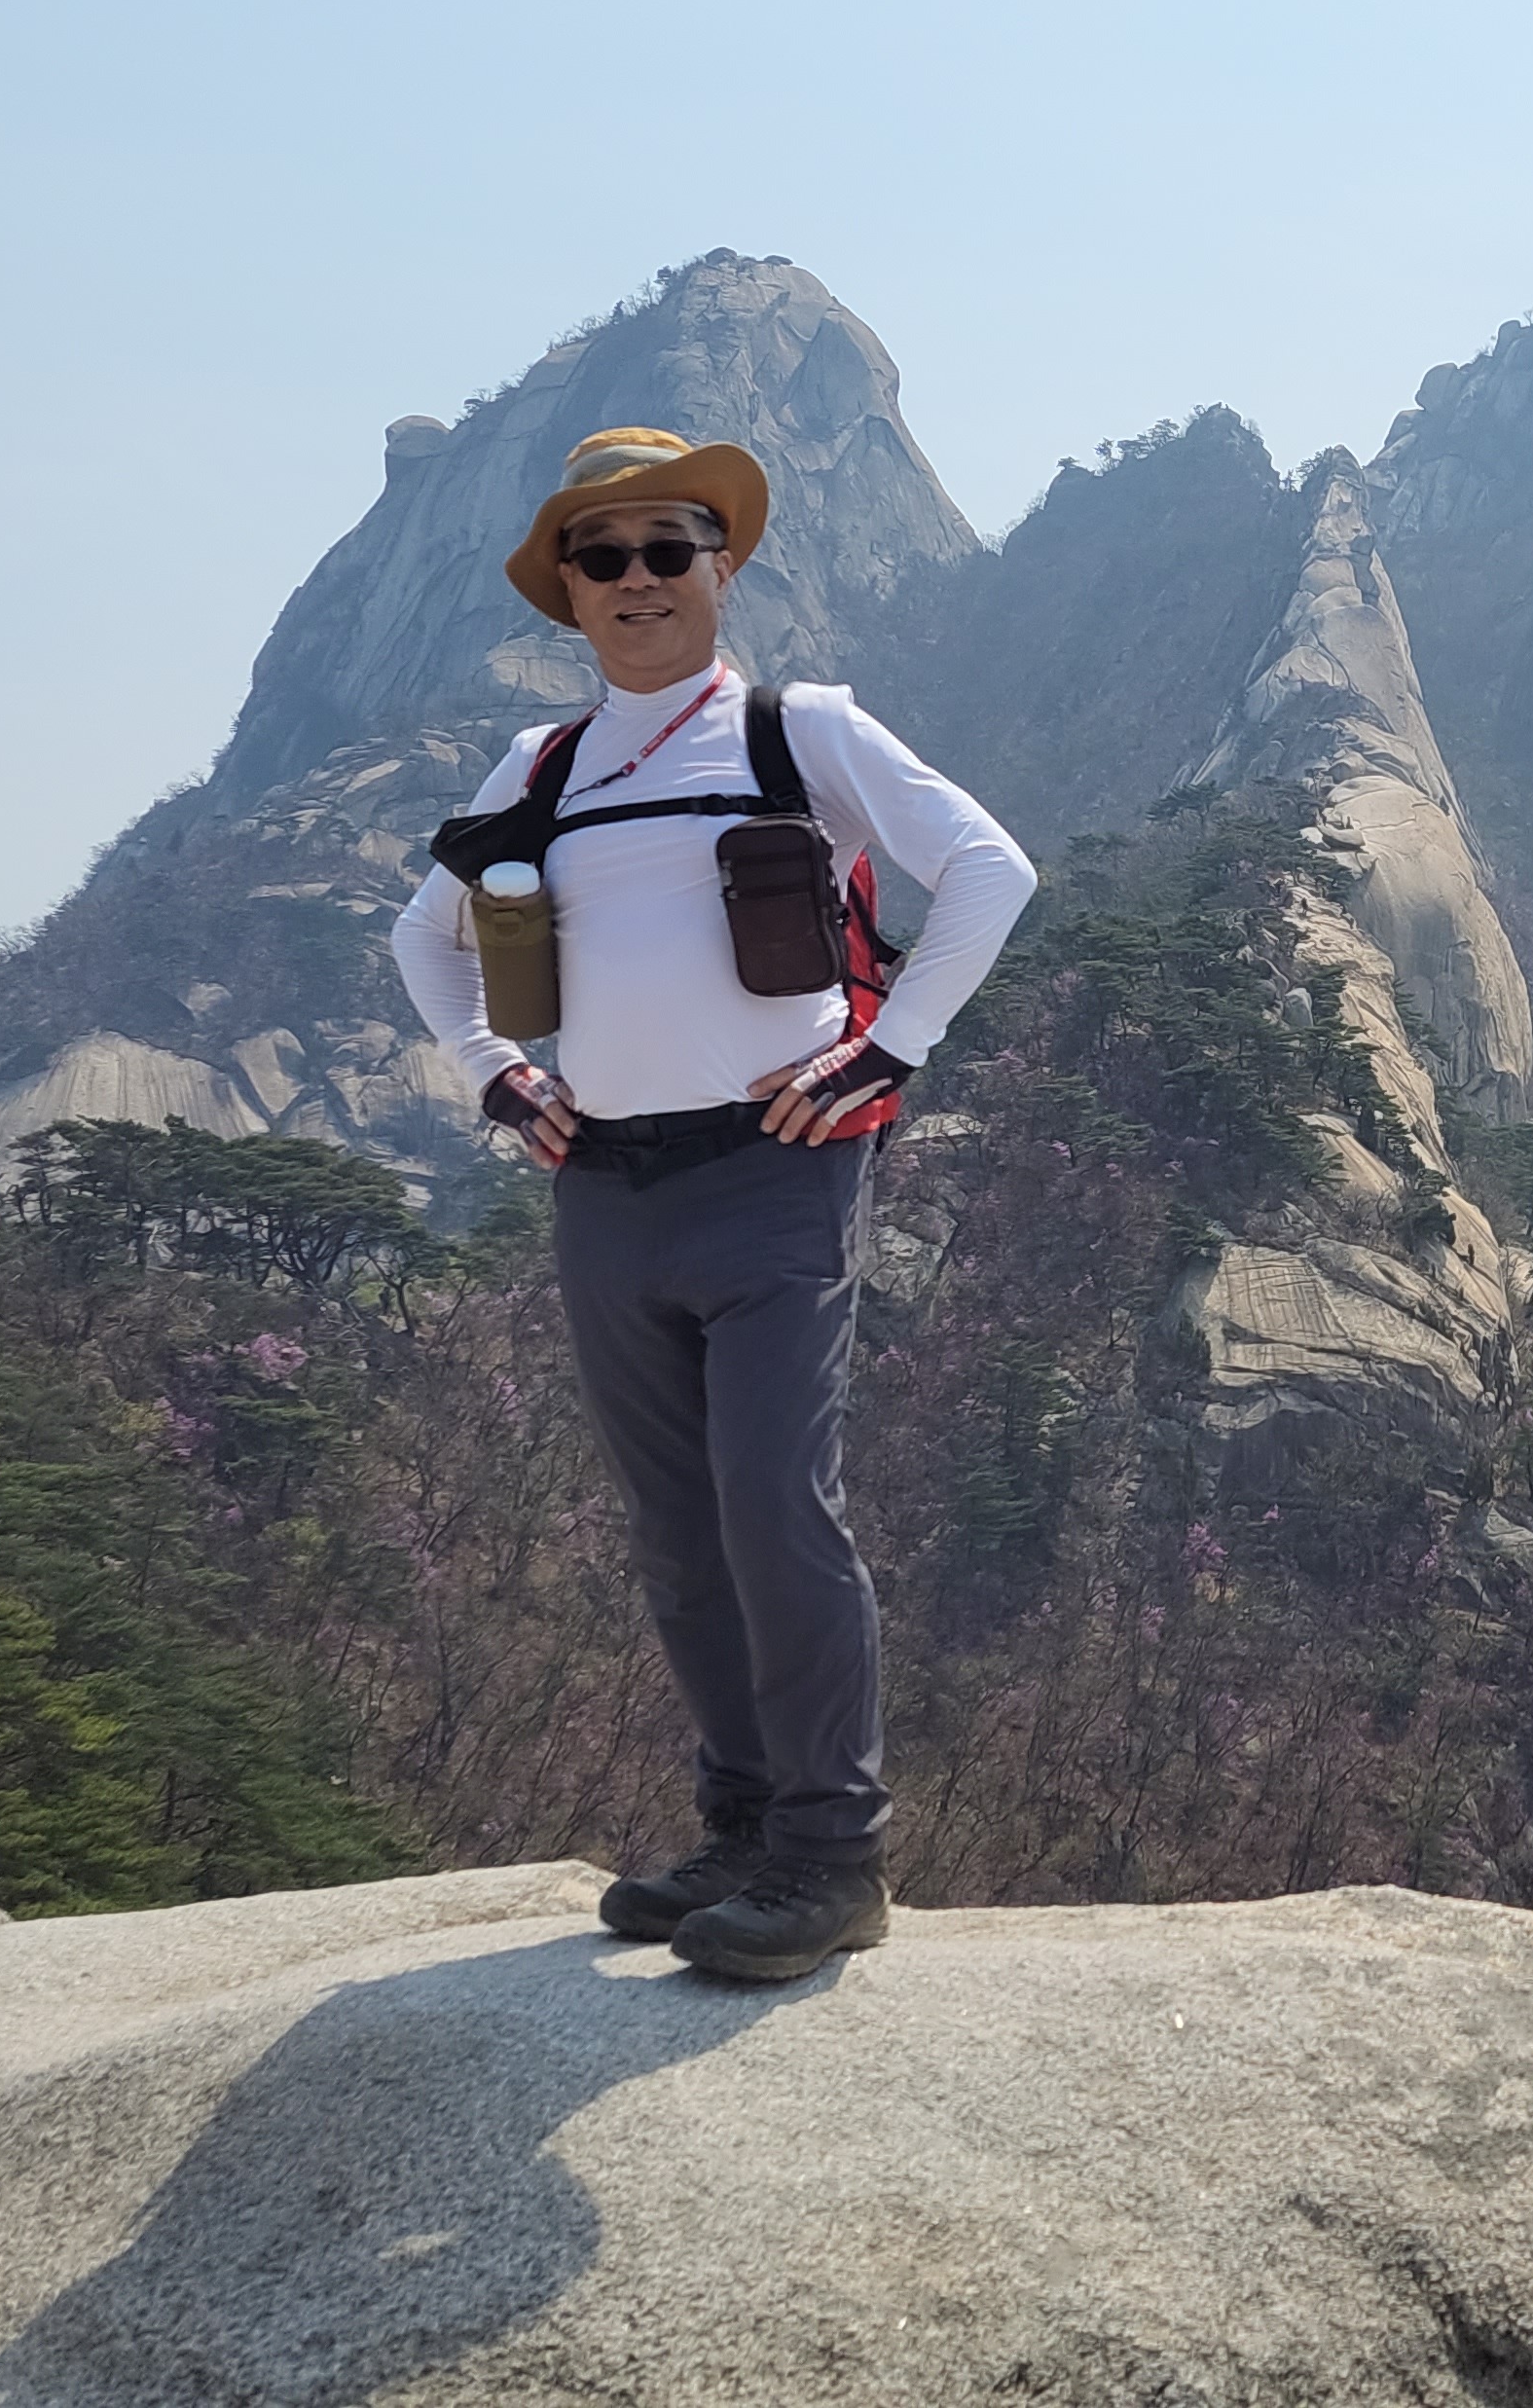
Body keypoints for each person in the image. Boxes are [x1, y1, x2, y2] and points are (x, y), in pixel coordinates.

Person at [392, 426, 1036, 1981]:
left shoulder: (795, 730)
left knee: (774, 1508)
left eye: (666, 548)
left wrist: (887, 1050)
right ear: (567, 591)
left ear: (722, 566)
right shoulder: (542, 769)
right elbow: (427, 936)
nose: (637, 580)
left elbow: (990, 869)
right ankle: (743, 1830)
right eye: (600, 558)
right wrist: (495, 1073)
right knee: (679, 1532)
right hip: (607, 1186)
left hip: (775, 1169)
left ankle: (833, 1856)